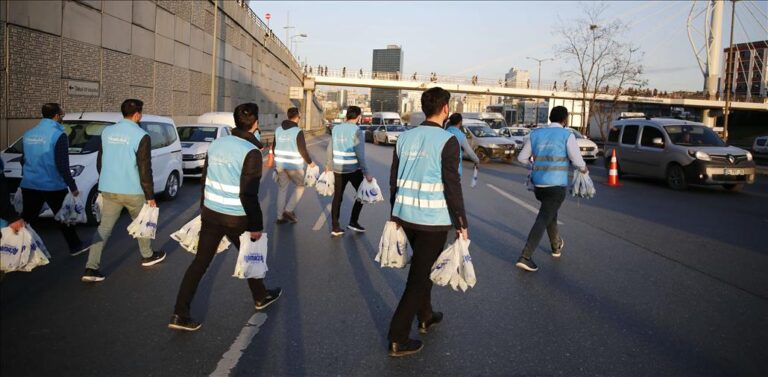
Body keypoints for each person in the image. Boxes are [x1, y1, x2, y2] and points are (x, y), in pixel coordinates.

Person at [169, 103, 280, 332]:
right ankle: (260, 297)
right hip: (236, 218)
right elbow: (249, 193)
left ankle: (180, 313)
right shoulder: (250, 152)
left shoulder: (217, 144)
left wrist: (203, 208)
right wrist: (256, 225)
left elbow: (205, 178)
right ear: (256, 123)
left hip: (211, 213)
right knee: (249, 257)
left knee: (199, 264)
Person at [387, 87, 468, 357]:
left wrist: (395, 213)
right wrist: (461, 222)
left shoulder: (404, 138)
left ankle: (426, 315)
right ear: (445, 108)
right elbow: (452, 185)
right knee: (418, 279)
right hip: (433, 221)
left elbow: (394, 179)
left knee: (424, 269)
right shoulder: (448, 141)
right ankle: (398, 337)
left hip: (406, 216)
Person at [82, 99, 165, 282]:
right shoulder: (141, 135)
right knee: (141, 223)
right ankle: (147, 255)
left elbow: (100, 161)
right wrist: (150, 196)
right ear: (137, 114)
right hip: (133, 190)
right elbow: (145, 168)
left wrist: (106, 180)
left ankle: (91, 268)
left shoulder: (107, 132)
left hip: (109, 188)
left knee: (104, 228)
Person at [515, 106, 587, 272]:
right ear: (565, 119)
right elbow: (577, 160)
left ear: (550, 118)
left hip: (539, 186)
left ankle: (556, 246)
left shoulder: (536, 134)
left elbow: (522, 158)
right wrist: (584, 170)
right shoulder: (566, 135)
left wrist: (533, 165)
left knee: (549, 213)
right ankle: (525, 256)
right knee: (544, 217)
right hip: (556, 186)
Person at [18, 103, 89, 256]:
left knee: (27, 218)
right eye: (62, 114)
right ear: (57, 116)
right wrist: (73, 187)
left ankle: (15, 247)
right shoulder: (58, 135)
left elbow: (22, 160)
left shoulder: (29, 133)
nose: (62, 117)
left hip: (29, 183)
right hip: (52, 185)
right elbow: (63, 165)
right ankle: (75, 246)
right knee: (63, 216)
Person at [324, 106, 372, 237]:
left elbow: (330, 148)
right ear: (358, 117)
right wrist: (366, 172)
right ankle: (353, 221)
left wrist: (328, 164)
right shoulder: (357, 131)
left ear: (347, 116)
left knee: (337, 197)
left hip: (338, 169)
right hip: (354, 170)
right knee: (362, 195)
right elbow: (360, 154)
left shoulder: (336, 128)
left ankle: (335, 226)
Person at [273, 107, 316, 224]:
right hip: (294, 167)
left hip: (280, 165)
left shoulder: (278, 130)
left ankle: (279, 217)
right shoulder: (297, 131)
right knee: (301, 186)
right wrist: (310, 163)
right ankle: (288, 210)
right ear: (298, 116)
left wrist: (276, 165)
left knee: (282, 190)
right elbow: (302, 150)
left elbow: (273, 147)